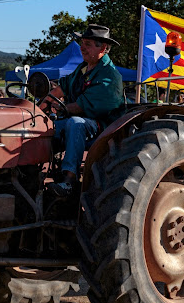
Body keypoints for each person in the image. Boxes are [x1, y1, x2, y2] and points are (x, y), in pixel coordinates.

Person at [42, 24, 123, 196]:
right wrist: (39, 110)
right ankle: (35, 173)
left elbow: (81, 107)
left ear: (102, 47)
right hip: (81, 120)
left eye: (87, 43)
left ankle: (70, 180)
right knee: (44, 127)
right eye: (82, 43)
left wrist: (59, 108)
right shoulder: (83, 69)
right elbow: (60, 89)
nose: (82, 47)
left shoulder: (109, 75)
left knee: (75, 123)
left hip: (103, 127)